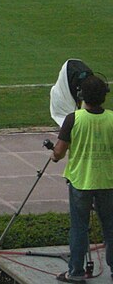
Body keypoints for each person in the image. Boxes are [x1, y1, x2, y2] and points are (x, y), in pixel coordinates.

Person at [50, 74, 113, 283]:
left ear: (81, 95)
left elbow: (58, 153)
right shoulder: (112, 119)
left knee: (79, 227)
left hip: (80, 182)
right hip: (108, 182)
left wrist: (54, 155)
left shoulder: (73, 119)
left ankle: (75, 272)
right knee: (110, 227)